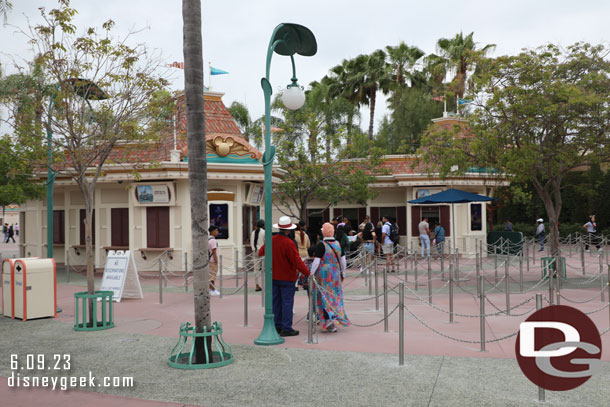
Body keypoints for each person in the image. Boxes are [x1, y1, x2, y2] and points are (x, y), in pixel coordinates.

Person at [258, 216, 310, 337]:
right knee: (287, 302)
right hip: (287, 277)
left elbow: (261, 252)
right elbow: (297, 261)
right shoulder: (289, 243)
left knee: (276, 302)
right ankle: (286, 327)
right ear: (288, 229)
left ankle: (277, 325)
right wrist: (307, 273)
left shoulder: (271, 240)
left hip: (273, 275)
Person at [310, 222, 350, 332]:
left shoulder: (321, 245)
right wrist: (343, 273)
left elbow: (316, 261)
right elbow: (343, 260)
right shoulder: (338, 244)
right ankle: (334, 318)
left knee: (324, 296)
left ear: (323, 232)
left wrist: (311, 274)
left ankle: (328, 320)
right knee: (335, 296)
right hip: (336, 273)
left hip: (324, 274)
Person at [250, 219, 265, 291]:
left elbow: (251, 243)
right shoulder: (264, 232)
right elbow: (266, 243)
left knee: (256, 269)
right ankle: (265, 284)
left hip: (254, 251)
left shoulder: (253, 232)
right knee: (265, 269)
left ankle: (257, 284)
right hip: (262, 252)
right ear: (263, 225)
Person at [208, 225, 221, 296]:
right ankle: (212, 290)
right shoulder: (213, 240)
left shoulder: (208, 239)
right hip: (213, 261)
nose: (217, 232)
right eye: (216, 230)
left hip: (209, 260)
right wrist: (216, 260)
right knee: (212, 277)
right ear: (212, 231)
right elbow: (214, 251)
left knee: (211, 276)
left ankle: (211, 289)